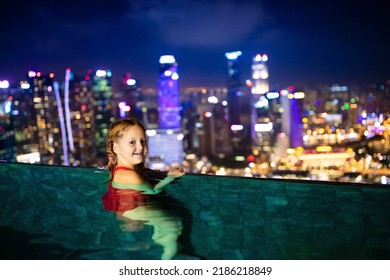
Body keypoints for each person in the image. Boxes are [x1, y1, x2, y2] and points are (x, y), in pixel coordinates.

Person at [106, 118, 185, 194]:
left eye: (143, 141)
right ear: (116, 148)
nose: (140, 147)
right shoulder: (130, 176)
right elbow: (152, 191)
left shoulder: (122, 171)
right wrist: (170, 177)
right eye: (132, 142)